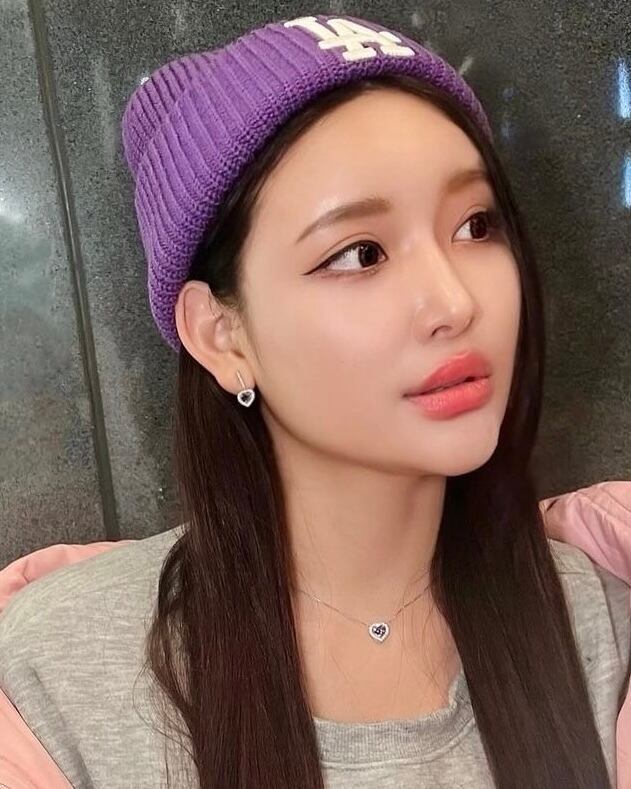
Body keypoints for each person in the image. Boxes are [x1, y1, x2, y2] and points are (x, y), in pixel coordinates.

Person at [0, 13, 630, 789]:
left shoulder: (596, 623)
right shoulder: (61, 675)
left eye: (475, 224)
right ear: (222, 335)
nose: (454, 301)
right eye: (359, 253)